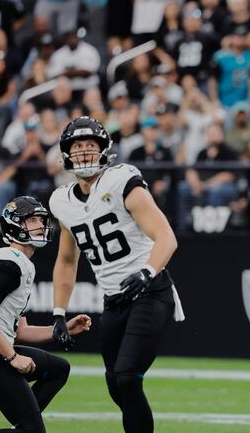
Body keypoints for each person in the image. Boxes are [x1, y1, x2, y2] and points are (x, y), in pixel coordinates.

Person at [48, 116, 185, 433]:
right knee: (115, 383)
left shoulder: (122, 180)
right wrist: (58, 313)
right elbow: (67, 260)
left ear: (104, 150)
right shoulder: (62, 201)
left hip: (150, 291)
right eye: (77, 146)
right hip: (114, 301)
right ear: (67, 153)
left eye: (90, 146)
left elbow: (166, 237)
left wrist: (147, 272)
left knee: (126, 376)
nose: (83, 152)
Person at [0, 196, 91, 433]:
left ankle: (25, 424)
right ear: (14, 225)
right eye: (33, 220)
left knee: (59, 369)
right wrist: (12, 357)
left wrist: (62, 328)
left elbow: (21, 331)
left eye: (41, 219)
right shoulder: (11, 264)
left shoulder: (21, 263)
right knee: (32, 430)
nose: (40, 225)